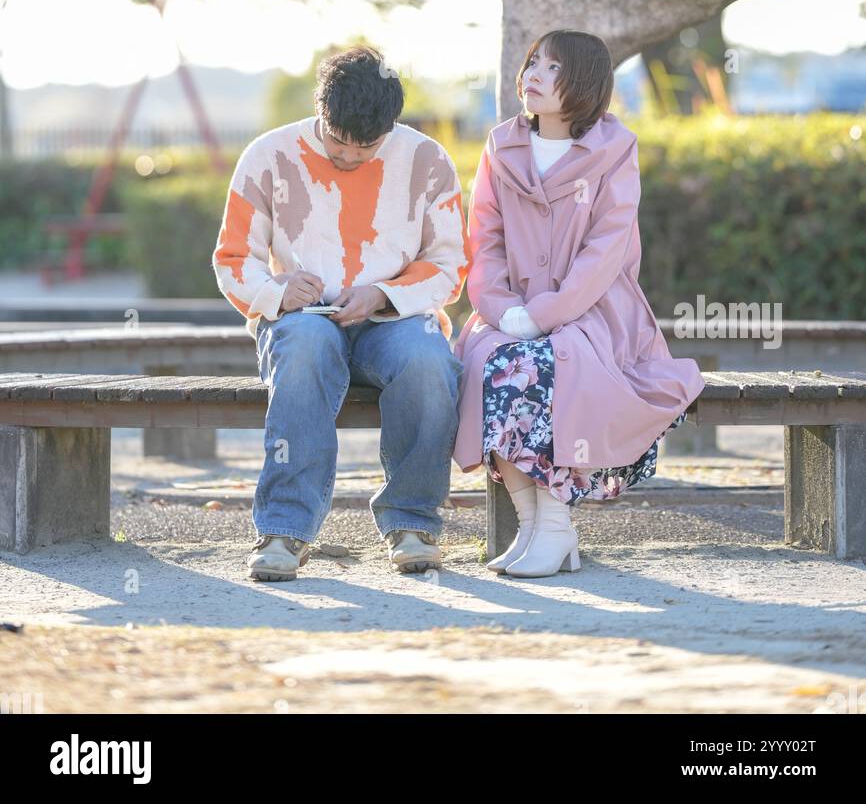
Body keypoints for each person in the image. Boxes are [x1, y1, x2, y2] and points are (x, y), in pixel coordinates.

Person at [452, 29, 706, 578]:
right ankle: (533, 526)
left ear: (585, 83)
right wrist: (502, 309)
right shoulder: (502, 145)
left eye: (553, 68)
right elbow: (484, 239)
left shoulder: (614, 150)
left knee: (549, 367)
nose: (534, 76)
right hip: (507, 310)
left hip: (593, 311)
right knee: (488, 366)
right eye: (532, 63)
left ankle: (558, 528)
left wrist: (544, 315)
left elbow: (605, 251)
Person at [212, 45, 470, 581]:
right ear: (318, 109)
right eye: (337, 142)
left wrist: (382, 294)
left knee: (428, 361)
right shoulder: (268, 155)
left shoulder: (428, 161)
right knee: (305, 347)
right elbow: (234, 261)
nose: (350, 157)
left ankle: (412, 522)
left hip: (394, 320)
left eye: (367, 146)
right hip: (300, 321)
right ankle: (284, 530)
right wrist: (278, 291)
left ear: (392, 125)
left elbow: (449, 266)